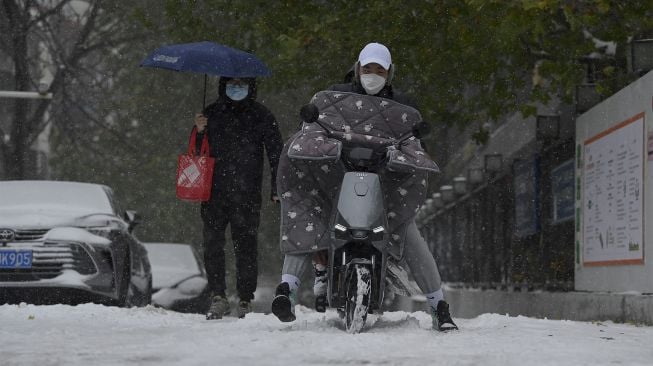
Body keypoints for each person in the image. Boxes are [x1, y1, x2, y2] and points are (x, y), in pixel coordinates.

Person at [270, 42, 457, 331]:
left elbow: (415, 146)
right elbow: (310, 130)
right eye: (367, 68)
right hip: (332, 182)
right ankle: (287, 290)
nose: (372, 75)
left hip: (385, 187)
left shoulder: (404, 109)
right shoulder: (333, 97)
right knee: (307, 217)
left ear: (390, 72)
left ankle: (439, 306)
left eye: (379, 70)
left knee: (409, 235)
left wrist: (400, 155)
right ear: (357, 69)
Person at [193, 76, 283, 320]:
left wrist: (277, 187)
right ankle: (218, 296)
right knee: (212, 244)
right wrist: (199, 131)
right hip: (213, 192)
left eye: (242, 83)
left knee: (246, 246)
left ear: (251, 85)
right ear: (223, 85)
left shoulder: (261, 115)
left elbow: (277, 153)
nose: (236, 87)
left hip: (247, 194)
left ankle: (245, 298)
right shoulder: (210, 113)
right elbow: (196, 154)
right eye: (231, 83)